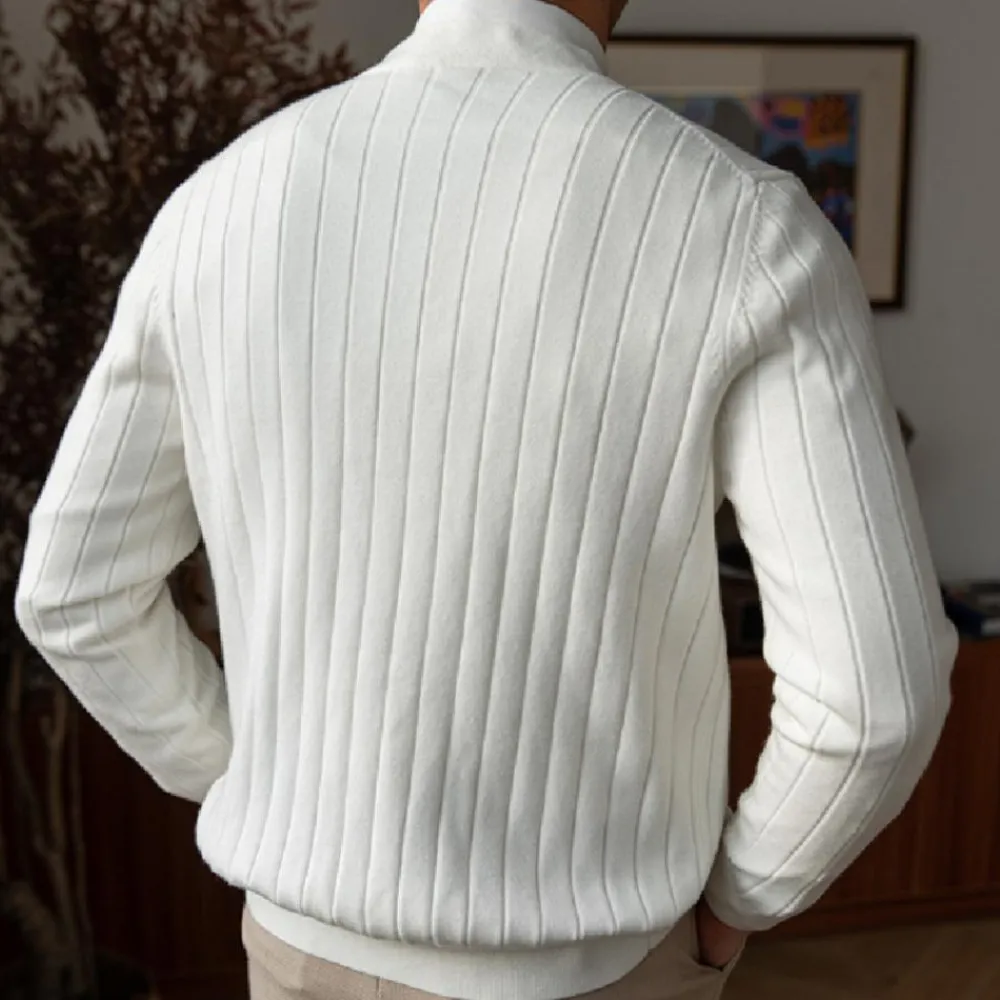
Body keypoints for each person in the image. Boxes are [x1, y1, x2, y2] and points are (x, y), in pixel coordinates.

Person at [15, 0, 958, 998]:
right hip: (595, 967)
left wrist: (255, 784)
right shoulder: (743, 225)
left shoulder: (218, 205)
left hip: (299, 955)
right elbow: (875, 700)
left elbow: (75, 594)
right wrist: (739, 903)